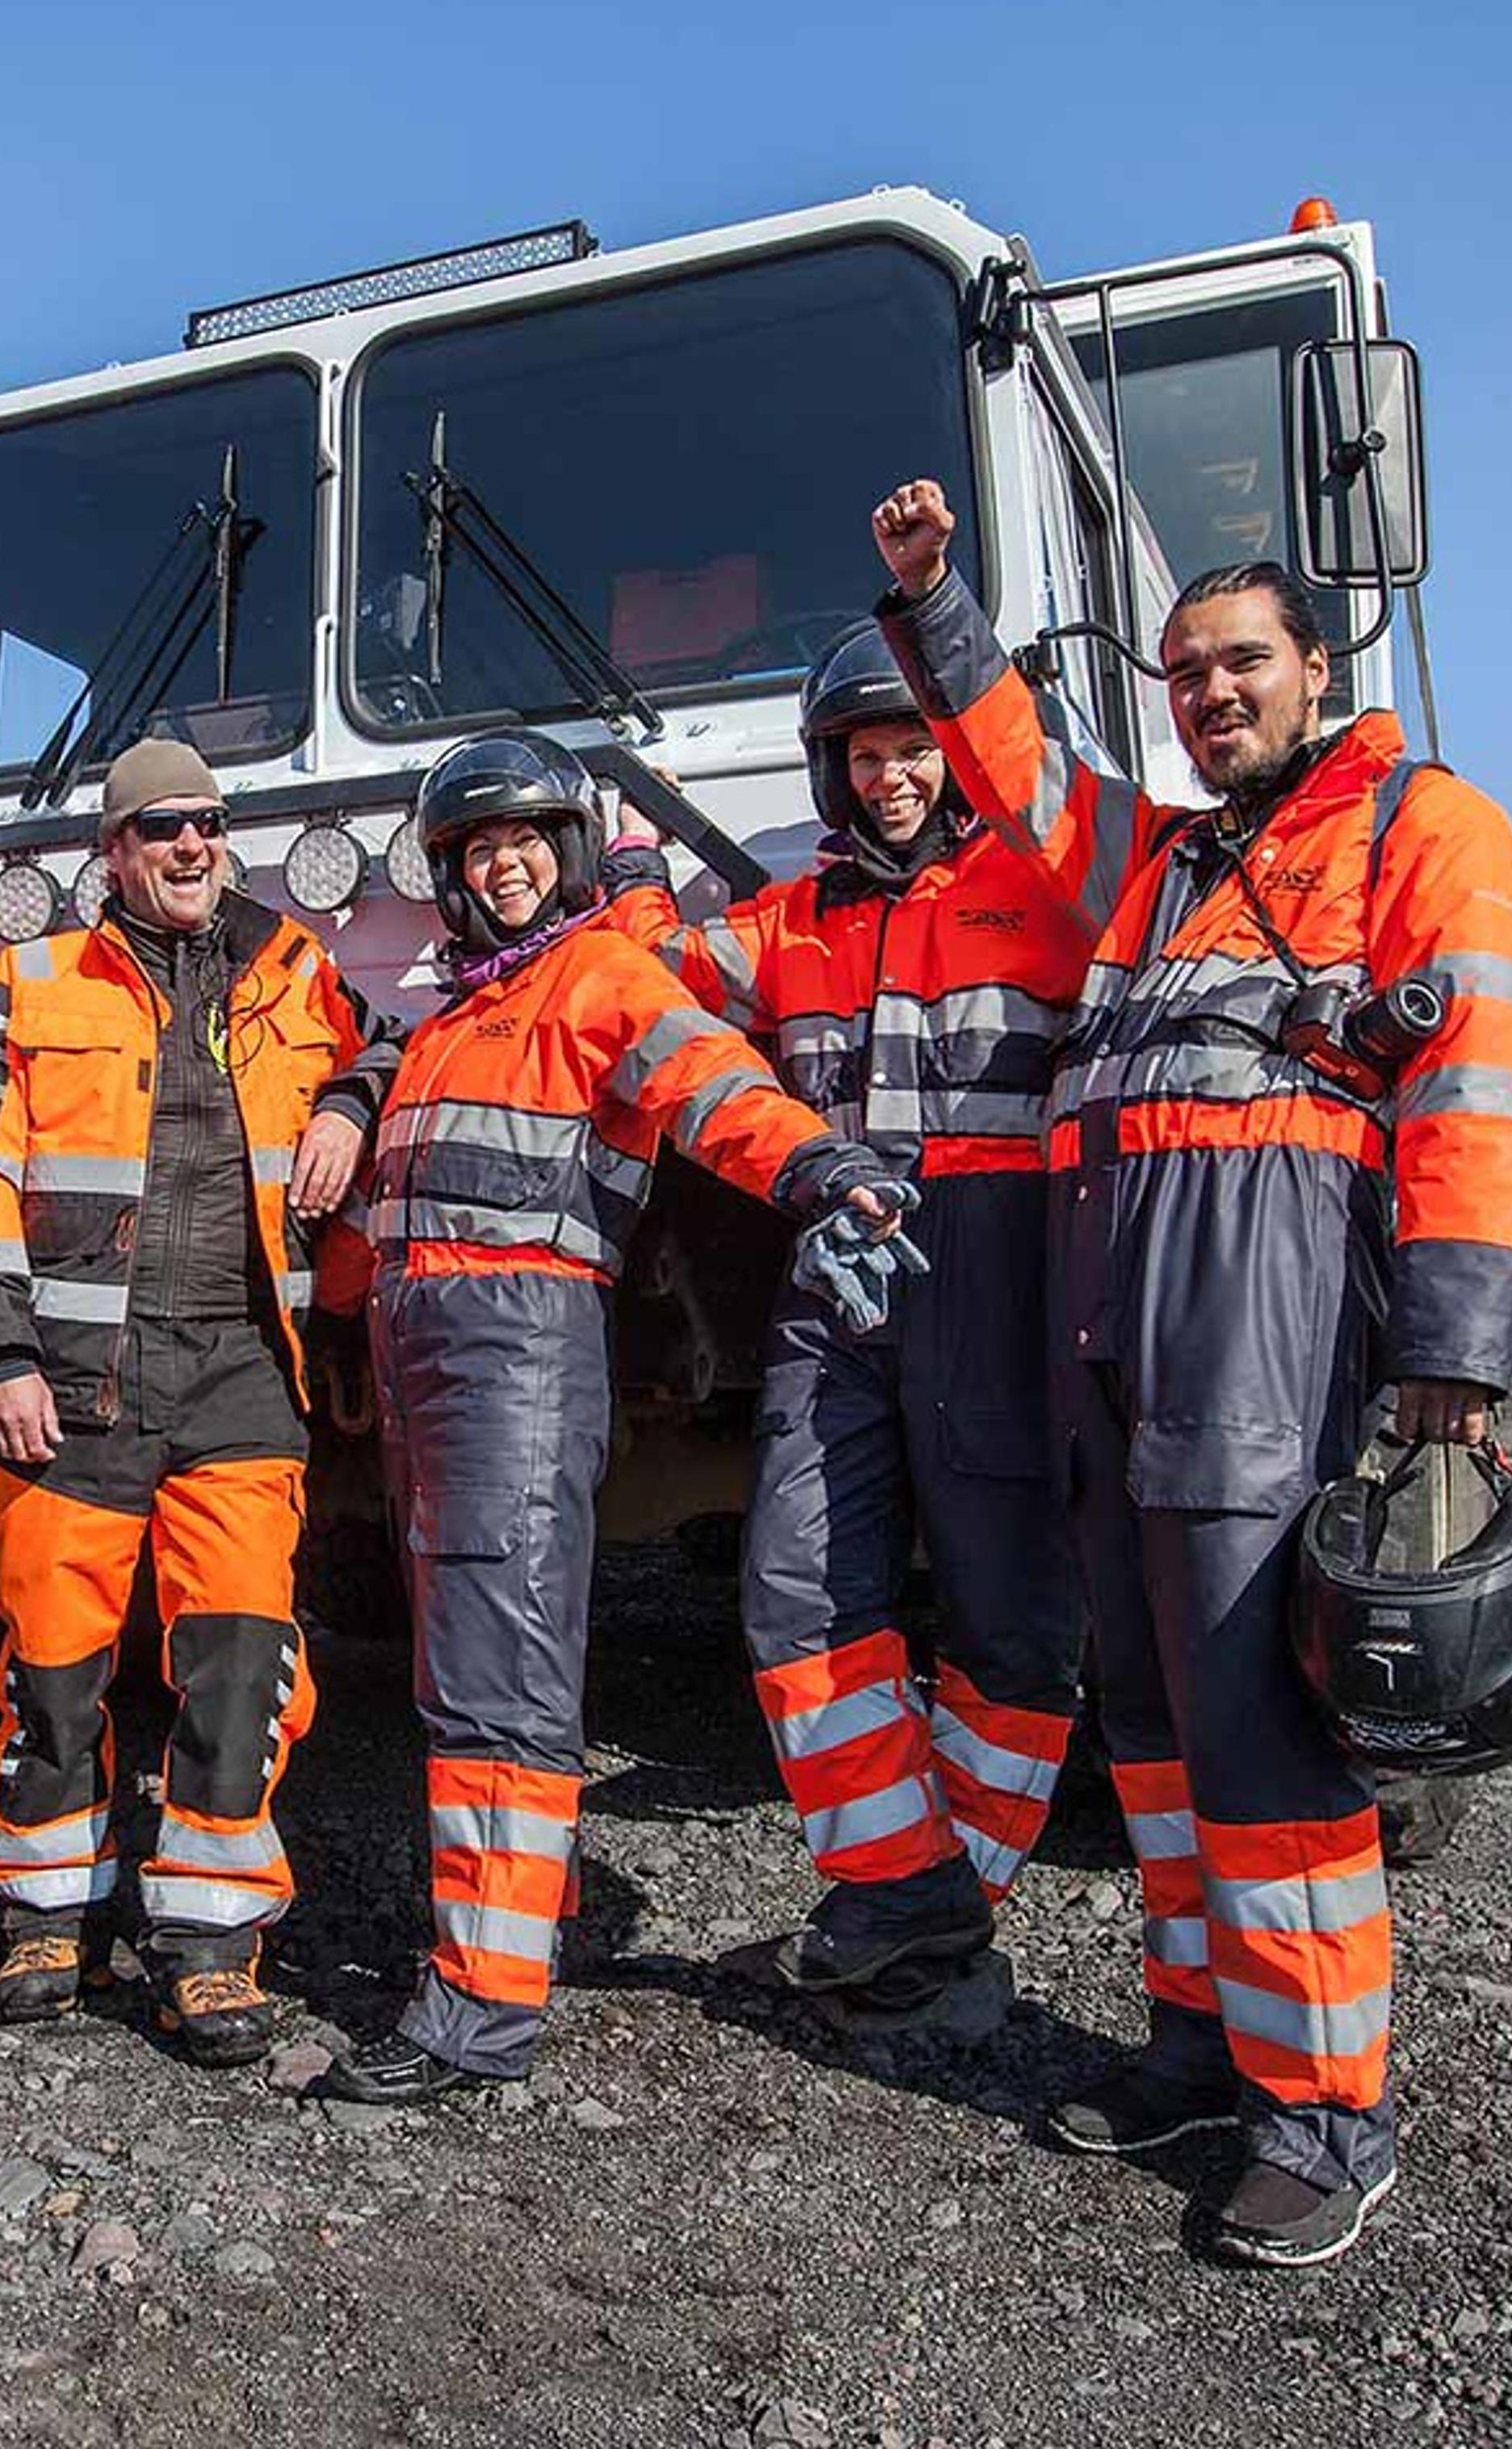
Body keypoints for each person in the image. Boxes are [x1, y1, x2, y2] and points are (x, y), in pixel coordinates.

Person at [872, 477, 1512, 2266]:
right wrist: (937, 614)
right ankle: (1199, 2043)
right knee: (1156, 1734)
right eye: (1181, 672)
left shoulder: (1422, 825)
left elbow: (1472, 1097)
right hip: (1114, 1337)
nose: (1208, 693)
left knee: (1262, 1736)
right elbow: (1016, 773)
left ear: (1318, 668)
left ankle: (1324, 2118)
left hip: (1269, 1335)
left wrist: (1454, 1364)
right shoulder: (1158, 859)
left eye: (1239, 661)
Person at [312, 732, 917, 2106]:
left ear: (570, 854)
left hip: (518, 1360)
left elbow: (716, 1088)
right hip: (424, 1366)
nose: (502, 864)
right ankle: (539, 1913)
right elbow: (385, 1216)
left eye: (524, 839)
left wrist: (820, 1168)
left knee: (496, 1679)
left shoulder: (595, 976)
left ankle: (479, 2004)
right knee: (463, 1652)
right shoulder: (462, 1013)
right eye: (475, 849)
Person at [605, 631, 1091, 2010]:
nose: (888, 776)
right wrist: (637, 874)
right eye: (865, 754)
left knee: (1009, 1615)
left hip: (996, 1283)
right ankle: (904, 1883)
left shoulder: (1041, 890)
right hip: (838, 1282)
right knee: (798, 1587)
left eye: (909, 748)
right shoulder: (793, 920)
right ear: (833, 769)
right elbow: (661, 989)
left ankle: (931, 1903)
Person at [0, 736, 398, 2068]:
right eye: (161, 828)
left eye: (208, 824)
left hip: (246, 1376)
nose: (192, 846)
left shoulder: (297, 970)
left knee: (243, 1671)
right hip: (74, 1390)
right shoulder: (26, 986)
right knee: (55, 1671)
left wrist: (354, 1096)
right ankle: (42, 1918)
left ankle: (208, 1942)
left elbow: (404, 1047)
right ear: (113, 854)